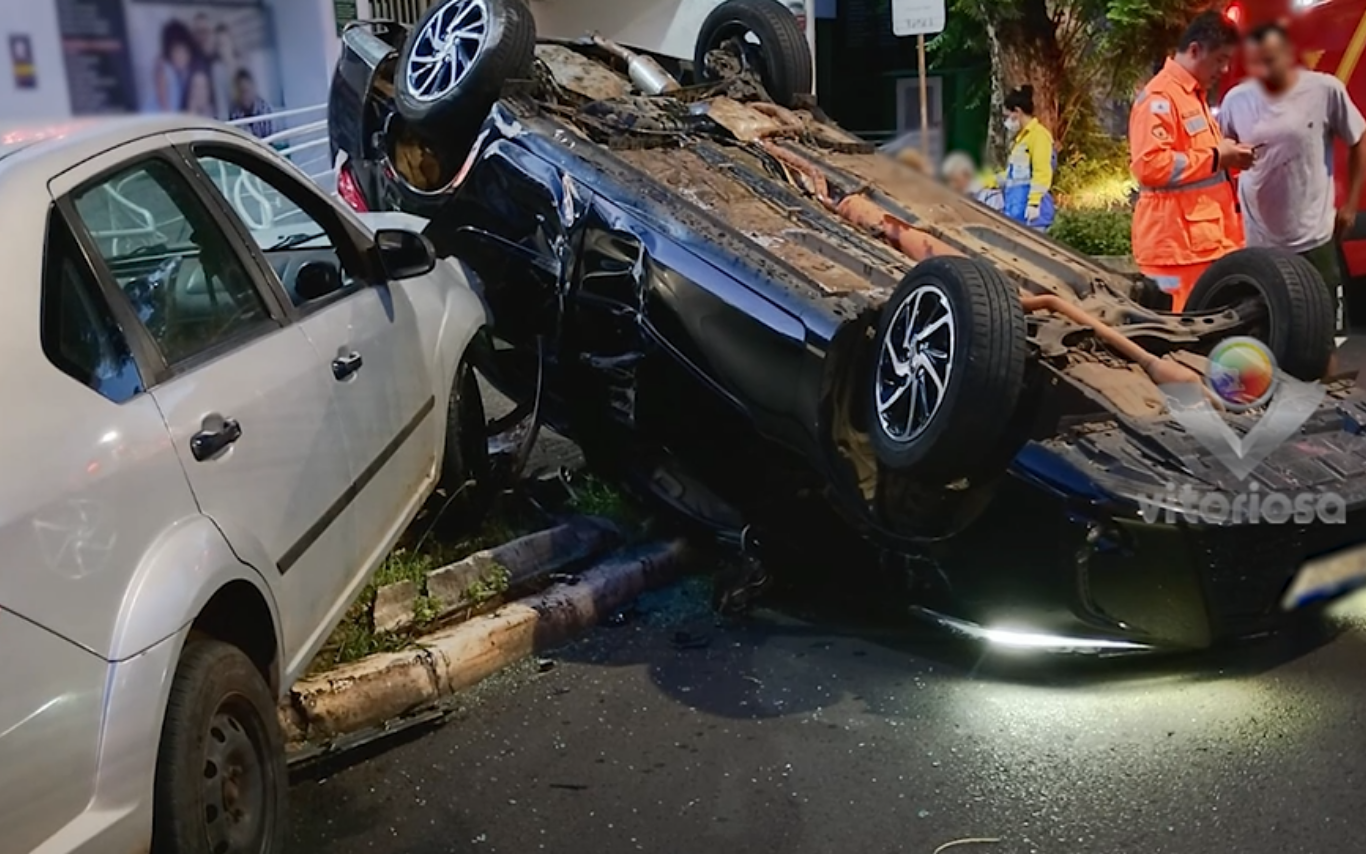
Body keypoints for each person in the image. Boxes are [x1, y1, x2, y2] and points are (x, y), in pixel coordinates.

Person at [1218, 22, 1366, 328]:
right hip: (1259, 241)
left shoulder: (1324, 90)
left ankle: (1327, 377)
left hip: (1314, 238)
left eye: (1270, 60)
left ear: (1288, 55)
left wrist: (1350, 204)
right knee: (1272, 332)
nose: (1263, 69)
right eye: (1256, 62)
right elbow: (1222, 152)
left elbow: (1358, 139)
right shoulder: (1236, 99)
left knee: (1323, 336)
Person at [1129, 11, 1255, 312]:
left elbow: (1199, 169)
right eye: (1220, 60)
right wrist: (1217, 156)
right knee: (1180, 342)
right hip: (1175, 251)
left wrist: (1230, 159)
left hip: (1202, 245)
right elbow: (1150, 166)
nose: (1224, 69)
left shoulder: (1192, 96)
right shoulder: (1160, 98)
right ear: (1196, 50)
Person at [1000, 86, 1056, 230]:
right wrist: (988, 182)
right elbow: (1013, 176)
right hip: (1017, 212)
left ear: (1017, 112)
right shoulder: (1022, 140)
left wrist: (1034, 204)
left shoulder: (1039, 136)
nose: (1006, 121)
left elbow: (1042, 172)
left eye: (1006, 116)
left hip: (1033, 215)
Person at [151, 20, 197, 113]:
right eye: (177, 51)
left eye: (185, 52)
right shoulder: (164, 68)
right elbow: (163, 100)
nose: (182, 57)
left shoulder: (181, 75)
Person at [941, 150, 1005, 213]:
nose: (952, 185)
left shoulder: (989, 196)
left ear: (966, 174)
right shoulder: (954, 200)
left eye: (955, 180)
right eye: (949, 181)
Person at [228, 69, 275, 139]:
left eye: (246, 91)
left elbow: (271, 140)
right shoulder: (234, 112)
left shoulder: (265, 109)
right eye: (241, 92)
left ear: (253, 88)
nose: (244, 96)